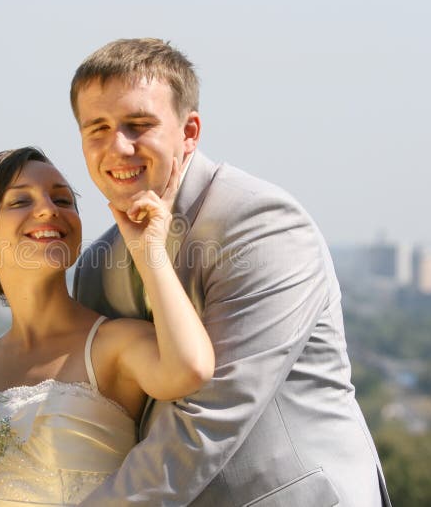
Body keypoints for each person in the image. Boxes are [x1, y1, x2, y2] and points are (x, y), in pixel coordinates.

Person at [71, 38, 392, 506]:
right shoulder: (94, 268)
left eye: (138, 124)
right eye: (96, 128)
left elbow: (209, 416)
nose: (118, 146)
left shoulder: (262, 225)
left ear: (190, 132)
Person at [0, 146, 215, 506]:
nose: (48, 209)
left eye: (62, 200)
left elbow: (192, 368)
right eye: (20, 202)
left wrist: (147, 250)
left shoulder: (113, 344)